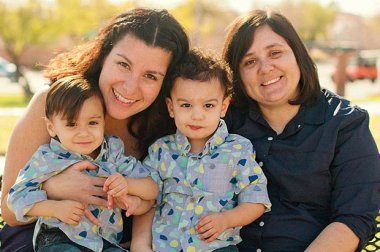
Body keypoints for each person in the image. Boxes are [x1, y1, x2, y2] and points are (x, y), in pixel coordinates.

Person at [0, 7, 189, 252]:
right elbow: (9, 210)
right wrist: (54, 188)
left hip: (109, 241)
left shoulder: (170, 124)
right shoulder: (55, 103)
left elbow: (156, 198)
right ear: (103, 56)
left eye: (150, 76)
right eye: (123, 64)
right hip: (41, 238)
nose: (130, 87)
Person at [222, 9, 380, 251]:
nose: (265, 68)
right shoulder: (222, 122)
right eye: (249, 61)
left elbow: (353, 218)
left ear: (297, 54)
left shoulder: (346, 124)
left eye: (275, 53)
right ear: (237, 74)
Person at [7, 75, 159, 252]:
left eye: (92, 122)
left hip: (105, 241)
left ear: (104, 121)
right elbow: (15, 198)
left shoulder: (113, 154)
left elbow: (152, 189)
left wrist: (128, 184)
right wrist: (55, 208)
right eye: (72, 124)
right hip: (59, 238)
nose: (84, 133)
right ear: (51, 127)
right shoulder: (47, 159)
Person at [143, 49, 271, 252]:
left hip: (217, 247)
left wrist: (226, 219)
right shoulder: (161, 151)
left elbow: (256, 200)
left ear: (223, 107)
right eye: (186, 105)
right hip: (166, 247)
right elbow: (147, 199)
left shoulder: (238, 150)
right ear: (170, 107)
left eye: (208, 106)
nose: (197, 115)